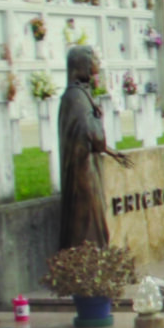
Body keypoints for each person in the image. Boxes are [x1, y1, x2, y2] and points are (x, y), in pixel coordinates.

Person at [57, 45, 132, 251]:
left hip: (87, 168)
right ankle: (89, 262)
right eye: (94, 60)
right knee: (89, 219)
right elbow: (94, 135)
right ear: (82, 64)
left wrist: (112, 152)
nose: (97, 65)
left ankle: (93, 262)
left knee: (94, 217)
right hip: (84, 173)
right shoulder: (76, 98)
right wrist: (100, 117)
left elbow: (92, 137)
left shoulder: (79, 95)